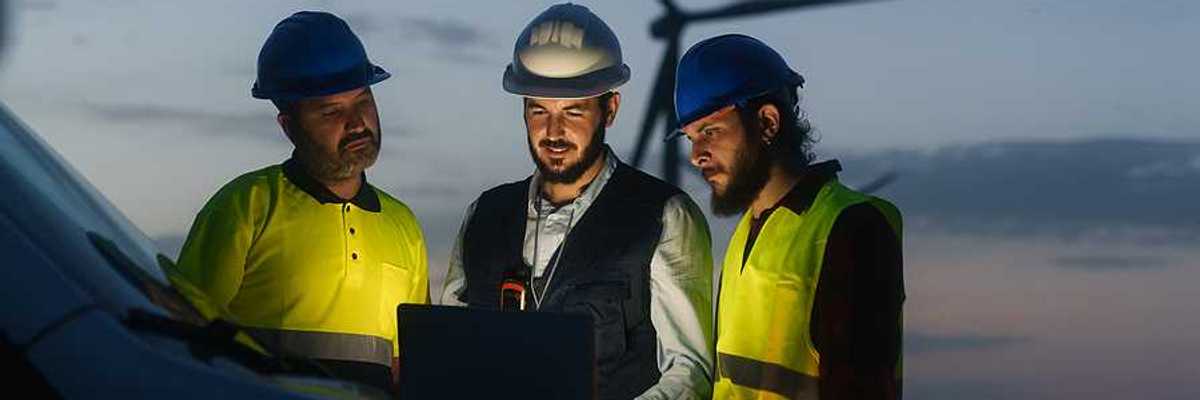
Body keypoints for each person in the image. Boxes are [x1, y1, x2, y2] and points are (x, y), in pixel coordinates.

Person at [440, 4, 714, 399]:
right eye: (539, 110)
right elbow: (450, 351)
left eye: (572, 111)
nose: (553, 131)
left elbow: (688, 374)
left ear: (610, 109)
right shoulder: (484, 215)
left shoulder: (663, 217)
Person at [173, 11, 428, 392]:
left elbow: (408, 366)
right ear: (288, 126)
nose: (357, 122)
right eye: (332, 111)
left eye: (363, 100)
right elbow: (181, 341)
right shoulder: (245, 208)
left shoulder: (403, 226)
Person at [673, 34, 905, 400]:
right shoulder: (748, 232)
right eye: (690, 139)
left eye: (710, 132)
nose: (696, 155)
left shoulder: (853, 228)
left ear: (767, 123)